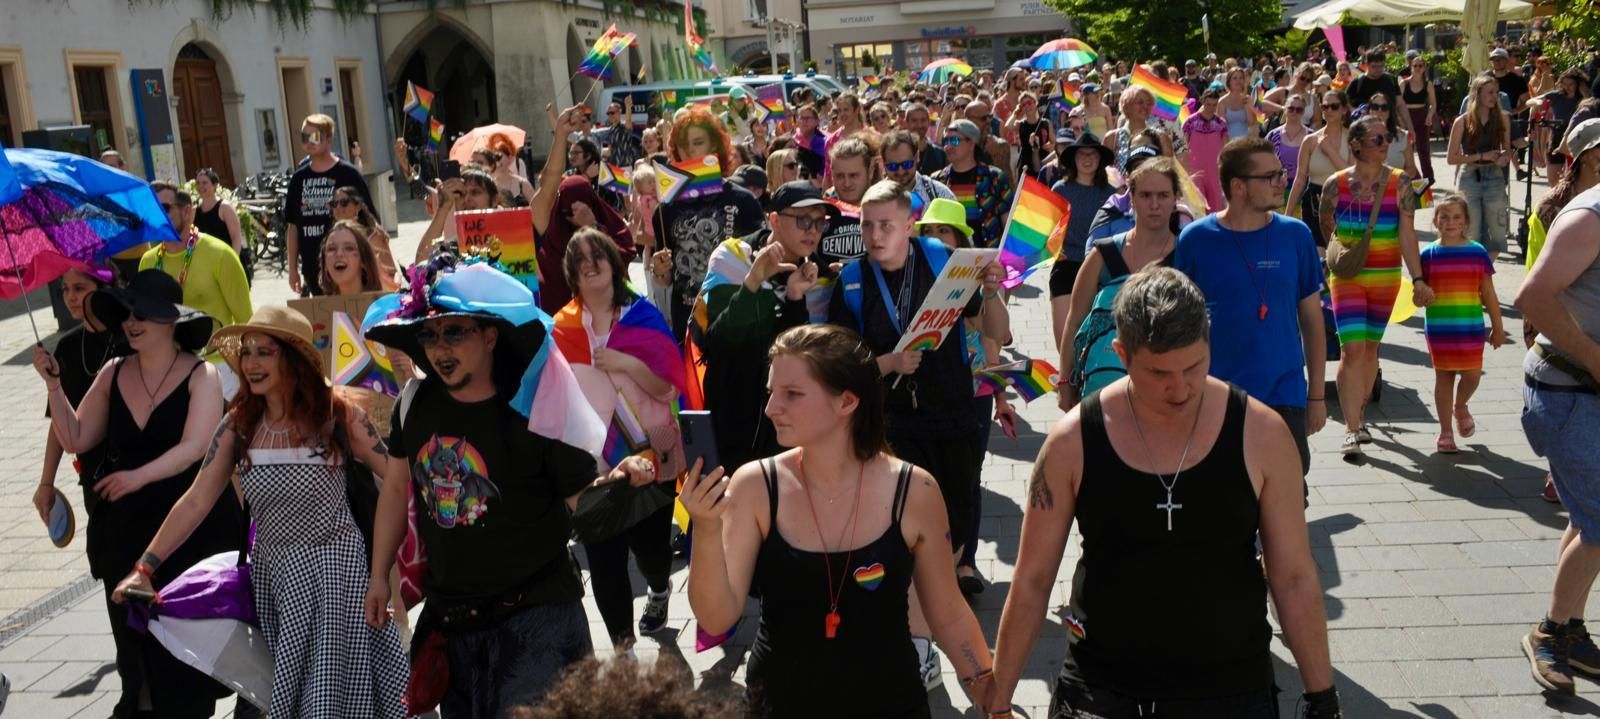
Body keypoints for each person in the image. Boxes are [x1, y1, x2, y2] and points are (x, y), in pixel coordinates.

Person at [990, 267, 1340, 719]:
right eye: (1158, 373)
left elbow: (1292, 576)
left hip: (1231, 688)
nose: (1180, 388)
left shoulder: (1263, 435)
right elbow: (1033, 579)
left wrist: (1322, 698)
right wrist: (999, 699)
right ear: (1121, 353)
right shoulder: (1072, 442)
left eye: (1193, 366)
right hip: (1103, 690)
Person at [682, 323, 997, 718]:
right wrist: (707, 530)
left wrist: (991, 696)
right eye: (771, 392)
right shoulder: (756, 486)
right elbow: (717, 616)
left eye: (791, 394)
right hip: (780, 706)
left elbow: (948, 613)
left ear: (847, 401)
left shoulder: (914, 490)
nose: (770, 408)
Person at [110, 305, 408, 716]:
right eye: (246, 353)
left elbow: (398, 477)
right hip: (275, 588)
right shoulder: (239, 426)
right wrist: (144, 566)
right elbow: (196, 500)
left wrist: (385, 572)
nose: (250, 363)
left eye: (264, 352)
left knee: (326, 705)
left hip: (339, 580)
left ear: (293, 357)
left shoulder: (337, 416)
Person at [362, 262, 630, 717]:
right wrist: (378, 575)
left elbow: (583, 500)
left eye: (455, 333)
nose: (440, 349)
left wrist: (624, 483)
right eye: (430, 335)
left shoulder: (533, 408)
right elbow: (395, 487)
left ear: (490, 336)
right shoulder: (414, 401)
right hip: (454, 623)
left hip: (535, 620)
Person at [31, 270, 244, 718]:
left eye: (144, 312)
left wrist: (139, 476)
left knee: (183, 657)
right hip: (125, 532)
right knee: (136, 652)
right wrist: (54, 384)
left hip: (188, 531)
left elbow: (195, 448)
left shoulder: (201, 373)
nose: (132, 321)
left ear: (172, 320)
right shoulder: (112, 371)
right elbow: (75, 437)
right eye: (128, 312)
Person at [829, 182, 991, 686]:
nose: (875, 236)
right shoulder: (852, 281)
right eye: (867, 225)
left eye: (886, 226)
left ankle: (932, 616)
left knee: (957, 524)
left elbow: (978, 318)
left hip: (953, 415)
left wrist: (990, 282)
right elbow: (839, 363)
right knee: (907, 533)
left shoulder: (945, 259)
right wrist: (887, 363)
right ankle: (918, 643)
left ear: (908, 225)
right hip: (893, 422)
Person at [553, 228, 684, 652]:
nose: (590, 264)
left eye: (598, 256)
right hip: (596, 465)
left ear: (613, 261)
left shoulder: (643, 316)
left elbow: (668, 387)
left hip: (651, 451)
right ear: (572, 272)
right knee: (605, 560)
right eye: (580, 259)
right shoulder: (562, 327)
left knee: (651, 550)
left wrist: (625, 360)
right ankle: (622, 649)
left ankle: (660, 588)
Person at [1177, 137, 1328, 476]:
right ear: (1238, 186)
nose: (1282, 182)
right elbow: (1182, 324)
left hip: (1284, 395)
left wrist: (1316, 396)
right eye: (1271, 176)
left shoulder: (1297, 235)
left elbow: (1312, 321)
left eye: (1281, 174)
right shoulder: (1196, 240)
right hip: (1215, 396)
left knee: (1285, 508)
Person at [1514, 172, 1600, 695]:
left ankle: (1569, 629)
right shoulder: (1590, 217)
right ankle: (1547, 633)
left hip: (1584, 392)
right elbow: (1533, 296)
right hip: (1565, 390)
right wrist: (1594, 357)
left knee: (1587, 516)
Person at [696, 181, 837, 473]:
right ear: (773, 219)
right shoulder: (732, 256)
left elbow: (800, 362)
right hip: (730, 419)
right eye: (803, 220)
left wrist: (796, 298)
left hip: (785, 432)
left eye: (819, 222)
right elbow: (716, 343)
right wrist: (753, 282)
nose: (812, 230)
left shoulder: (821, 279)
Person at [912, 198, 1013, 596]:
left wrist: (1001, 397)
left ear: (960, 240)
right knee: (929, 480)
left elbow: (997, 338)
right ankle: (929, 564)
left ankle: (965, 561)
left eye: (945, 232)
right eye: (931, 232)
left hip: (973, 392)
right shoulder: (911, 278)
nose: (939, 239)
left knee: (968, 478)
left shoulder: (972, 281)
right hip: (926, 394)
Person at [1321, 116, 1431, 459]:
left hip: (1385, 278)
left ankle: (1361, 412)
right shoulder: (1334, 184)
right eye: (1377, 139)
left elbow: (1407, 234)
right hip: (1348, 278)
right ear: (1355, 145)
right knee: (1351, 350)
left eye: (1387, 138)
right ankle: (1352, 428)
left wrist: (1418, 278)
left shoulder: (1400, 183)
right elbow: (1327, 225)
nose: (1385, 144)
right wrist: (1345, 256)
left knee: (1370, 350)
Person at [1057, 158, 1183, 410]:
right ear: (1131, 198)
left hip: (1166, 392)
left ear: (1176, 198)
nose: (1155, 204)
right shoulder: (1103, 254)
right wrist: (1064, 383)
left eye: (1163, 195)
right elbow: (1075, 319)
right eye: (1146, 195)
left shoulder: (1187, 255)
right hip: (1102, 391)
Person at [33, 264, 128, 544]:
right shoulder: (67, 348)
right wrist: (46, 483)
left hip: (135, 471)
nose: (70, 297)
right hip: (93, 477)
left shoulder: (131, 339)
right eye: (65, 289)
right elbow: (60, 421)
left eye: (79, 288)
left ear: (103, 289)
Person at [652, 105, 766, 337]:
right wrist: (659, 269)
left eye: (698, 142)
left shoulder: (742, 199)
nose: (691, 150)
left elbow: (762, 260)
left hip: (736, 319)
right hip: (689, 325)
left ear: (714, 144)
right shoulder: (666, 209)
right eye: (684, 145)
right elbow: (666, 278)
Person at [1418, 194, 1504, 454]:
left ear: (1466, 221)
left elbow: (1488, 293)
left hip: (1470, 327)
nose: (1450, 222)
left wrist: (1498, 326)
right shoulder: (1428, 254)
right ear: (1435, 221)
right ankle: (1445, 431)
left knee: (1472, 375)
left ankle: (1460, 405)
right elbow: (1417, 294)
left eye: (1456, 217)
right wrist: (1422, 295)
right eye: (1444, 217)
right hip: (1440, 329)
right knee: (1443, 377)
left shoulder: (1477, 253)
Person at [534, 116, 636, 313]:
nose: (575, 212)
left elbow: (622, 256)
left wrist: (593, 227)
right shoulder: (548, 243)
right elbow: (548, 182)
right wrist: (561, 134)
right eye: (568, 206)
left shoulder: (604, 222)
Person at [141, 181, 254, 330]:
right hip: (167, 352)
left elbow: (246, 321)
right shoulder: (148, 261)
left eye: (164, 208)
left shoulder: (221, 255)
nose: (157, 216)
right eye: (151, 210)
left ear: (187, 211)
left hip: (215, 353)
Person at [286, 113, 374, 297]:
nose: (309, 142)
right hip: (313, 268)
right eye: (304, 137)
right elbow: (293, 226)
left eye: (314, 137)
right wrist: (293, 268)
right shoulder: (298, 179)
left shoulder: (348, 173)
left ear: (328, 139)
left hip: (349, 268)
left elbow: (370, 221)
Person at [1047, 132, 1117, 345]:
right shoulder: (1059, 189)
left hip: (1099, 268)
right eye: (1082, 154)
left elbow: (1116, 233)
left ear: (1100, 160)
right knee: (1064, 338)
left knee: (1093, 338)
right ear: (1073, 159)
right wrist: (1052, 249)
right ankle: (1065, 377)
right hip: (1065, 265)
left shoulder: (1111, 194)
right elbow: (1048, 228)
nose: (1087, 159)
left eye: (1093, 154)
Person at [1448, 75, 1513, 258]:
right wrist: (1482, 156)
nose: (1494, 97)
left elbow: (1507, 149)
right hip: (1469, 175)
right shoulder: (1462, 121)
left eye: (1496, 93)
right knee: (1470, 230)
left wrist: (1504, 157)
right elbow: (1451, 158)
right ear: (1478, 94)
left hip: (1494, 175)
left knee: (1496, 232)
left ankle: (1483, 275)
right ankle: (1469, 273)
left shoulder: (1503, 119)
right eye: (1490, 93)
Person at [1286, 90, 1354, 248]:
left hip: (1344, 202)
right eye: (1324, 107)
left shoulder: (1353, 138)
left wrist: (1330, 151)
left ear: (1344, 109)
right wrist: (1288, 215)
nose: (1328, 110)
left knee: (1341, 257)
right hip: (1314, 201)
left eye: (1334, 106)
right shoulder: (1310, 140)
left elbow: (1351, 176)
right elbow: (1300, 178)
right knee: (1319, 259)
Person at [933, 119, 1012, 248]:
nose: (948, 146)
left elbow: (1008, 224)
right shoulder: (937, 180)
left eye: (954, 141)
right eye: (945, 141)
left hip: (987, 259)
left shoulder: (995, 178)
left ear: (971, 144)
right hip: (950, 260)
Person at [416, 166, 501, 263]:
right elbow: (421, 266)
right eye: (462, 194)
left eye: (475, 192)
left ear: (494, 200)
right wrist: (443, 208)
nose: (467, 199)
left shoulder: (510, 238)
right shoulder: (453, 246)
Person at [818, 135, 877, 269]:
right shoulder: (819, 215)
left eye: (854, 175)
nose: (847, 183)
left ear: (870, 171)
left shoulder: (888, 212)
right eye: (839, 176)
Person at [327, 185, 400, 290]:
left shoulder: (374, 236)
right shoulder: (331, 239)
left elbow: (392, 273)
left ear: (358, 206)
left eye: (344, 203)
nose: (338, 208)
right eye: (334, 204)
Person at [1532, 69, 1591, 188]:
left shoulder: (1584, 98)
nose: (1567, 87)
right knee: (1553, 178)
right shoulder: (1556, 95)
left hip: (1577, 137)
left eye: (1571, 84)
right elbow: (1532, 100)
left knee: (1576, 177)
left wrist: (1585, 93)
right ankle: (1556, 199)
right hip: (1557, 135)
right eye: (1565, 84)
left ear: (1578, 84)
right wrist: (1539, 103)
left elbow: (1591, 106)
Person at [882, 129, 955, 212]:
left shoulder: (939, 194)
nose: (900, 171)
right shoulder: (875, 198)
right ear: (884, 163)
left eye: (907, 164)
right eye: (893, 166)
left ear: (917, 157)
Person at [1184, 86, 1231, 213]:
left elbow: (1226, 148)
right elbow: (1184, 145)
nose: (1211, 108)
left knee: (1216, 204)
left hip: (1215, 171)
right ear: (1203, 101)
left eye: (1214, 105)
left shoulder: (1221, 124)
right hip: (1195, 170)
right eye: (1208, 104)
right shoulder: (1190, 122)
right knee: (1197, 205)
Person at [1364, 92, 1422, 180]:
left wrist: (1393, 179)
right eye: (1375, 107)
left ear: (1390, 111)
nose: (1379, 111)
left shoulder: (1403, 136)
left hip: (1395, 188)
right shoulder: (1360, 136)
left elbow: (1412, 169)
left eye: (1384, 107)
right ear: (1369, 110)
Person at [1268, 94, 1313, 205]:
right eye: (1291, 108)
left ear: (1303, 112)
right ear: (1285, 109)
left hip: (1303, 192)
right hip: (1276, 189)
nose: (1294, 112)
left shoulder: (1312, 136)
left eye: (1299, 109)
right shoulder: (1273, 135)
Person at [1348, 51, 1408, 133]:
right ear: (1367, 65)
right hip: (1366, 131)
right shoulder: (1357, 83)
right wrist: (1356, 111)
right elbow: (1345, 104)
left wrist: (1410, 127)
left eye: (1381, 66)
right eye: (1374, 66)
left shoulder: (1390, 80)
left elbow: (1401, 104)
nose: (1378, 70)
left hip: (1390, 130)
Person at [192, 168, 244, 258]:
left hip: (226, 259)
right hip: (207, 263)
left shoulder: (225, 207)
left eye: (204, 183)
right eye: (198, 183)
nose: (200, 186)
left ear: (215, 185)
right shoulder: (194, 211)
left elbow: (236, 238)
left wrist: (233, 261)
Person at [1402, 55, 1439, 183]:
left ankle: (1428, 178)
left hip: (1422, 117)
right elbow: (1398, 104)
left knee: (1423, 149)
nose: (1417, 68)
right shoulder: (1404, 83)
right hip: (1407, 116)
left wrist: (1429, 115)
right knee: (1407, 150)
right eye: (1415, 65)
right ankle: (1411, 177)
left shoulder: (1428, 84)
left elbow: (1433, 104)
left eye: (1420, 65)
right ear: (1410, 67)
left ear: (1424, 68)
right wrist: (1401, 120)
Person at [1004, 92, 1052, 178]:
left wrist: (1049, 146)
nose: (1027, 106)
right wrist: (1016, 111)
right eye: (1023, 105)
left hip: (1043, 162)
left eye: (1029, 103)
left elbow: (1053, 143)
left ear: (1035, 102)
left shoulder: (1046, 123)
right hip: (1025, 164)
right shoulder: (1020, 124)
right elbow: (1008, 126)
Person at [904, 103, 948, 176]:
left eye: (923, 120)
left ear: (928, 122)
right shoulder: (898, 153)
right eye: (914, 121)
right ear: (906, 123)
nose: (919, 125)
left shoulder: (939, 154)